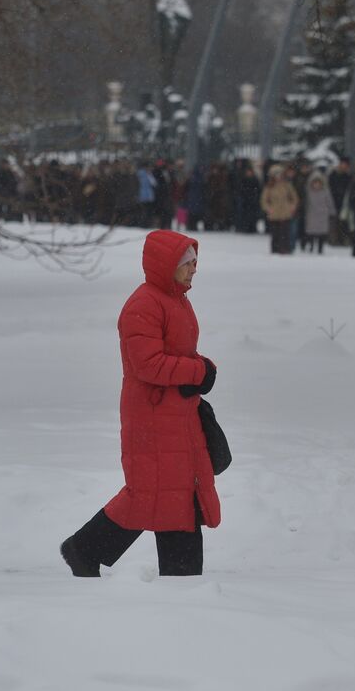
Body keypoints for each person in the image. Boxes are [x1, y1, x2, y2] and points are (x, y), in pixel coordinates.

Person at [61, 231, 220, 577]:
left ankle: (182, 574)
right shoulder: (143, 304)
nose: (195, 268)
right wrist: (198, 371)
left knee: (179, 492)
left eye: (196, 261)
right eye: (188, 262)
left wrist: (202, 367)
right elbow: (147, 364)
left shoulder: (176, 300)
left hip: (176, 413)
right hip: (152, 417)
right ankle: (84, 549)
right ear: (169, 265)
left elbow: (178, 354)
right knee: (150, 493)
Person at [259, 164, 300, 255]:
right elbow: (264, 200)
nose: (278, 176)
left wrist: (291, 207)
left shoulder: (287, 185)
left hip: (286, 213)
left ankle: (285, 249)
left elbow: (294, 198)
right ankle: (275, 250)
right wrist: (269, 209)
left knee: (285, 233)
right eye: (275, 174)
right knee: (275, 234)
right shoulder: (269, 187)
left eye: (279, 174)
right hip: (274, 214)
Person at [302, 171, 334, 254]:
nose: (317, 185)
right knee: (311, 233)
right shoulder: (308, 191)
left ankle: (320, 248)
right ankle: (311, 246)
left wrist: (332, 211)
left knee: (322, 233)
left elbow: (329, 202)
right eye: (315, 183)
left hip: (323, 215)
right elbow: (306, 203)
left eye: (318, 183)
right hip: (311, 214)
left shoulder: (326, 191)